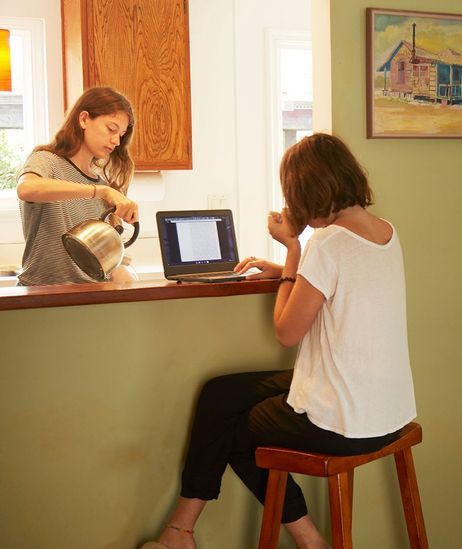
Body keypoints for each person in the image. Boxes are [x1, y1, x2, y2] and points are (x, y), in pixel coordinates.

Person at [144, 133, 416, 549]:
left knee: (232, 428)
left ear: (305, 191)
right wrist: (292, 271)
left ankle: (305, 540)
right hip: (387, 413)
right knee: (221, 393)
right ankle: (179, 532)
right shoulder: (385, 232)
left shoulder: (327, 243)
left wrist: (292, 250)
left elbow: (287, 332)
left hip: (344, 423)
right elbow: (338, 285)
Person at [15, 86, 139, 285]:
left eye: (121, 134)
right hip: (42, 295)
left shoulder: (103, 185)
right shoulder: (46, 161)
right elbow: (26, 189)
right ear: (83, 119)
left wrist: (125, 276)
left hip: (87, 298)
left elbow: (106, 260)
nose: (116, 141)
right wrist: (100, 192)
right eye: (111, 129)